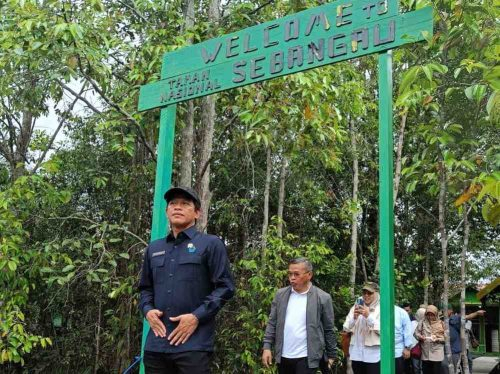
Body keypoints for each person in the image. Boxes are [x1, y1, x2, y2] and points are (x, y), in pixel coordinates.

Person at [139, 186, 235, 373]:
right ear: (166, 211)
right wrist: (147, 310)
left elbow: (226, 287)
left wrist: (196, 317)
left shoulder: (211, 244)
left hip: (193, 345)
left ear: (197, 212)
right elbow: (145, 288)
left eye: (185, 204)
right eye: (173, 204)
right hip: (156, 345)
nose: (177, 207)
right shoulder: (154, 248)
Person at [262, 258, 337, 374]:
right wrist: (267, 347)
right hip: (283, 356)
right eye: (290, 274)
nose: (292, 277)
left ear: (309, 275)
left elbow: (328, 328)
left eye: (296, 274)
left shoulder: (322, 297)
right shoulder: (281, 295)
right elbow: (272, 323)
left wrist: (332, 355)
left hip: (307, 357)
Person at [343, 282, 381, 374]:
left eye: (370, 293)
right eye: (364, 293)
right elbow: (346, 328)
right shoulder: (356, 305)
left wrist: (368, 316)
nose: (366, 295)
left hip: (373, 355)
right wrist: (354, 318)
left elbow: (383, 331)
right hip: (356, 354)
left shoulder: (382, 308)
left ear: (376, 293)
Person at [447, 306, 485, 374]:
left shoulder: (457, 318)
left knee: (465, 362)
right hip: (446, 349)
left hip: (459, 348)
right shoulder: (441, 319)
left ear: (451, 311)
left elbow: (467, 317)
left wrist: (476, 313)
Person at [414, 305, 445, 374]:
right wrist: (420, 337)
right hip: (425, 354)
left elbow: (446, 338)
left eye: (432, 315)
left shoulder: (441, 323)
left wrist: (438, 339)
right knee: (426, 371)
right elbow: (416, 333)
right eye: (428, 315)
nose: (430, 317)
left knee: (436, 371)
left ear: (436, 315)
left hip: (437, 354)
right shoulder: (422, 322)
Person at [395, 305, 413, 374]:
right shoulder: (377, 309)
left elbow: (407, 330)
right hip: (379, 350)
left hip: (398, 350)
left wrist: (407, 348)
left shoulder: (401, 312)